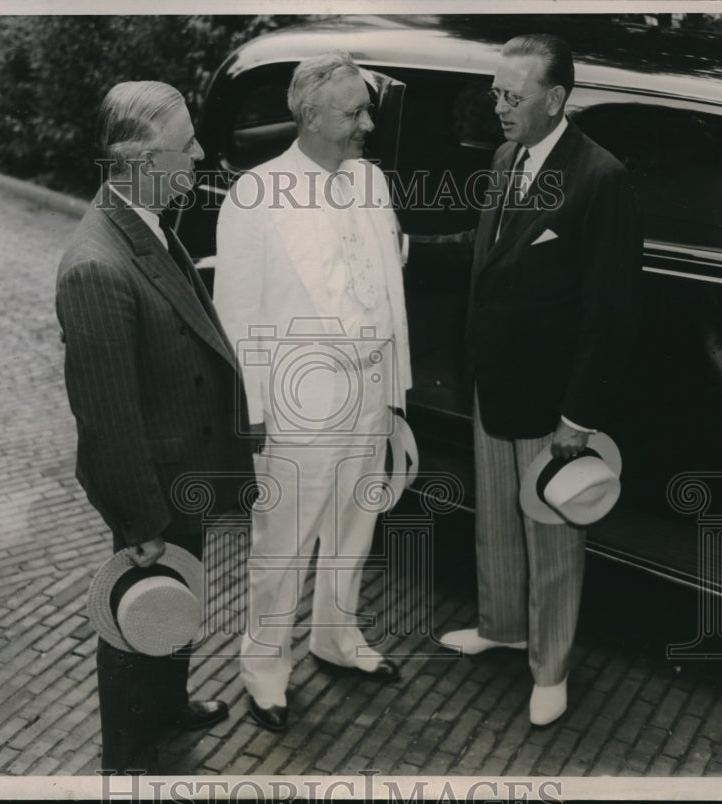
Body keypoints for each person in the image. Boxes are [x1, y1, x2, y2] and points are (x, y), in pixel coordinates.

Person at [412, 34, 641, 726]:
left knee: (550, 530)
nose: (498, 107)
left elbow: (612, 314)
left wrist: (578, 416)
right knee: (499, 523)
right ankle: (503, 626)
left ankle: (551, 666)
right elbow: (486, 253)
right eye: (494, 93)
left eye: (512, 96)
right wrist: (404, 248)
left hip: (552, 403)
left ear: (556, 99)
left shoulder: (601, 178)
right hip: (493, 383)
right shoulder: (506, 158)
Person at [55, 81, 254, 772]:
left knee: (183, 595)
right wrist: (139, 527)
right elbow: (107, 422)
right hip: (151, 488)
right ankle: (129, 756)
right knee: (136, 616)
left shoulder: (149, 220)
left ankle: (169, 703)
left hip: (184, 472)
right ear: (140, 160)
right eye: (186, 144)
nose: (200, 154)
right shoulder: (95, 267)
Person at [212, 51, 412, 732]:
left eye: (367, 110)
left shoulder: (373, 185)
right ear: (312, 115)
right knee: (283, 544)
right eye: (355, 111)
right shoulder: (255, 195)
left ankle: (335, 636)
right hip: (297, 404)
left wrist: (395, 398)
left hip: (369, 389)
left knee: (355, 528)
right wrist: (257, 414)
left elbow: (390, 294)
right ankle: (264, 670)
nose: (367, 124)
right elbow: (237, 317)